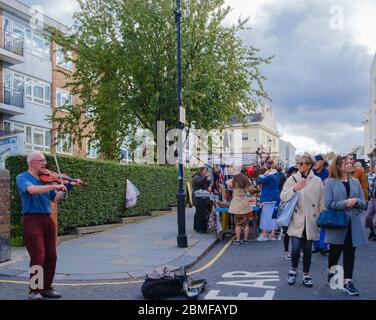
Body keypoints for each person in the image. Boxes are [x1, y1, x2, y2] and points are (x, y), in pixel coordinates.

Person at [16, 151, 82, 300]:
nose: (45, 164)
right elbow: (32, 190)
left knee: (52, 255)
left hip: (47, 219)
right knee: (38, 255)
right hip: (31, 220)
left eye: (45, 161)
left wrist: (68, 186)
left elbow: (55, 199)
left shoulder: (47, 180)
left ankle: (47, 288)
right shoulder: (22, 177)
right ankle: (34, 290)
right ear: (32, 162)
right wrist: (54, 186)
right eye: (42, 161)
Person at [324, 155, 368, 296]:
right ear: (338, 166)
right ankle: (331, 271)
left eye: (351, 162)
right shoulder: (330, 182)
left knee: (350, 253)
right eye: (346, 163)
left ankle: (348, 282)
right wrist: (345, 203)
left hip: (353, 223)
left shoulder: (355, 182)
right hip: (338, 222)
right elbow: (328, 204)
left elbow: (364, 203)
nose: (350, 164)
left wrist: (355, 201)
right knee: (335, 252)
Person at [280, 154, 325, 287]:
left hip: (311, 220)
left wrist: (321, 217)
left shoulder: (317, 181)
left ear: (309, 165)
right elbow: (282, 196)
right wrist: (294, 188)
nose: (298, 165)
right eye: (298, 163)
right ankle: (293, 270)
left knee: (307, 250)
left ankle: (306, 274)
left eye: (301, 163)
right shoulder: (292, 179)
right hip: (296, 219)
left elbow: (322, 201)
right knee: (295, 249)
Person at [256, 161, 279, 241]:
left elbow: (259, 181)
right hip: (274, 198)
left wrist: (262, 175)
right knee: (273, 217)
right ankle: (272, 235)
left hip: (268, 199)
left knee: (265, 217)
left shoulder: (269, 176)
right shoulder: (276, 175)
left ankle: (265, 235)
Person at [312, 154, 330, 255]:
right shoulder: (311, 173)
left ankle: (323, 246)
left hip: (323, 200)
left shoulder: (327, 173)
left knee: (323, 223)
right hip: (313, 201)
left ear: (322, 162)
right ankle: (316, 245)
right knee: (314, 223)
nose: (315, 163)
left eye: (317, 161)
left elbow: (328, 185)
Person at [228, 173, 251, 244]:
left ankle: (238, 240)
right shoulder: (246, 183)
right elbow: (249, 185)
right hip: (245, 204)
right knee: (246, 224)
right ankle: (245, 239)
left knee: (237, 224)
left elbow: (227, 182)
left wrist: (234, 178)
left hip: (237, 205)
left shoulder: (234, 183)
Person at [192, 166, 212, 233]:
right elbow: (199, 182)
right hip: (198, 198)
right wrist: (206, 177)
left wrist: (209, 185)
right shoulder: (196, 177)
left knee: (198, 213)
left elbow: (204, 186)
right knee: (199, 213)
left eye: (206, 170)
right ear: (201, 171)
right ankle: (199, 228)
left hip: (202, 198)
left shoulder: (201, 177)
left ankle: (196, 227)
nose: (206, 172)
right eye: (205, 170)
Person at [366, 164, 376, 240]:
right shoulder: (371, 176)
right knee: (368, 216)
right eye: (375, 167)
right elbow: (369, 185)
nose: (374, 168)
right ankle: (372, 232)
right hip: (372, 198)